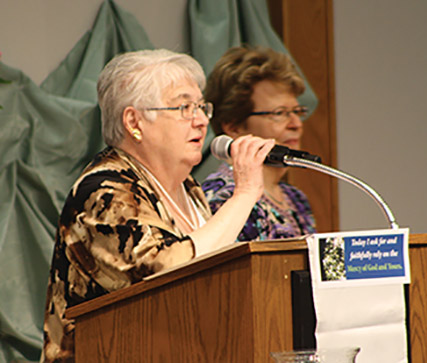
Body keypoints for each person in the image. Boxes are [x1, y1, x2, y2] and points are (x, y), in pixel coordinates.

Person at [40, 49, 275, 362]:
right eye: (184, 107)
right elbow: (164, 272)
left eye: (202, 107)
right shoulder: (105, 191)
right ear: (134, 121)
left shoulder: (188, 189)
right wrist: (245, 192)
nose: (202, 120)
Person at [201, 46, 316, 242]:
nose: (296, 124)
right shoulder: (223, 198)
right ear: (234, 126)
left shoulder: (295, 198)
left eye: (297, 111)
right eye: (279, 113)